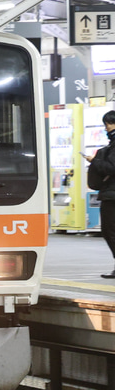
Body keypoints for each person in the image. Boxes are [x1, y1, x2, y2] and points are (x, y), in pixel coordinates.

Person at [87, 110, 115, 278]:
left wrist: (94, 161)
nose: (106, 128)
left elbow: (112, 168)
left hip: (112, 195)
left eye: (108, 124)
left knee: (109, 230)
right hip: (111, 194)